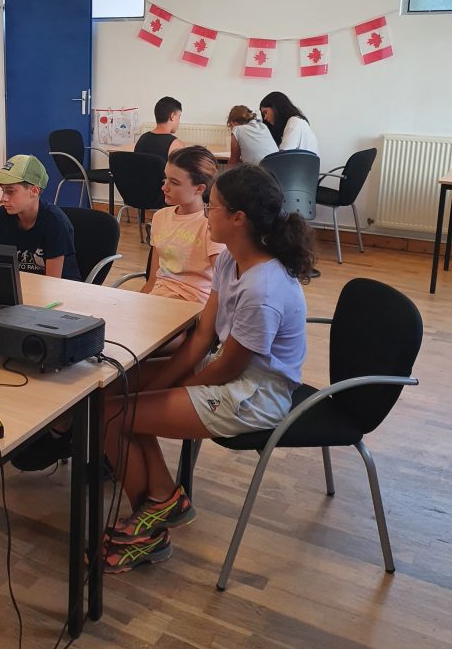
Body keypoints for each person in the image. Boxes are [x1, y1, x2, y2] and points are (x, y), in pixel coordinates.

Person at [102, 164, 315, 574]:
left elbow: (229, 368)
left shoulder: (262, 288)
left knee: (115, 411)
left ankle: (151, 522)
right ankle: (164, 498)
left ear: (239, 218)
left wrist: (160, 396)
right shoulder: (231, 261)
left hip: (254, 395)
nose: (206, 214)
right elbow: (201, 338)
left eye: (213, 207)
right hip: (226, 373)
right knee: (115, 398)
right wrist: (149, 391)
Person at [141, 146, 223, 305]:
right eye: (165, 179)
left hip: (193, 305)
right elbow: (153, 279)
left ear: (199, 189)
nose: (164, 187)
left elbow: (221, 287)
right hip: (160, 299)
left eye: (174, 182)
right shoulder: (160, 217)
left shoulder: (210, 224)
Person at [0, 154, 80, 280]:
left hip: (61, 292)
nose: (3, 198)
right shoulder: (2, 215)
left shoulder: (55, 223)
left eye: (10, 191)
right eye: (2, 190)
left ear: (34, 191)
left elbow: (53, 282)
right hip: (21, 286)